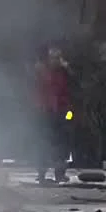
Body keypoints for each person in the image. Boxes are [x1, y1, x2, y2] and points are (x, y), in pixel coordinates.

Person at [32, 46, 73, 184]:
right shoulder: (42, 72)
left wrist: (68, 111)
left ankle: (59, 173)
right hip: (45, 112)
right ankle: (42, 173)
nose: (56, 60)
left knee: (61, 143)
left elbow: (67, 92)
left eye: (58, 57)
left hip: (60, 112)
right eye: (54, 57)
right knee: (45, 142)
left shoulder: (63, 73)